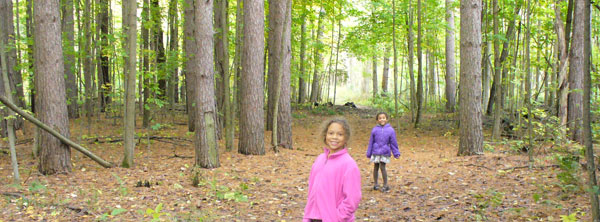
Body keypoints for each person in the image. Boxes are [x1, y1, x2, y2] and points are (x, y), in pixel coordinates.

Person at [304, 118, 362, 222]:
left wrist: (337, 217)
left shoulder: (349, 164)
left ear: (346, 138)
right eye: (331, 133)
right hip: (313, 218)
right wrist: (307, 216)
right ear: (325, 135)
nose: (334, 137)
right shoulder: (320, 159)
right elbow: (311, 191)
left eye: (340, 134)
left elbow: (353, 198)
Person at [366, 112, 401, 192]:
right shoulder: (374, 130)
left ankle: (385, 185)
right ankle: (376, 184)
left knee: (382, 167)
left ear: (387, 119)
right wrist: (369, 152)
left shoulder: (390, 130)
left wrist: (396, 153)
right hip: (375, 151)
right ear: (377, 120)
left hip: (385, 151)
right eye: (380, 118)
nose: (382, 119)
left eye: (383, 118)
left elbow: (393, 142)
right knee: (376, 167)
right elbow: (371, 142)